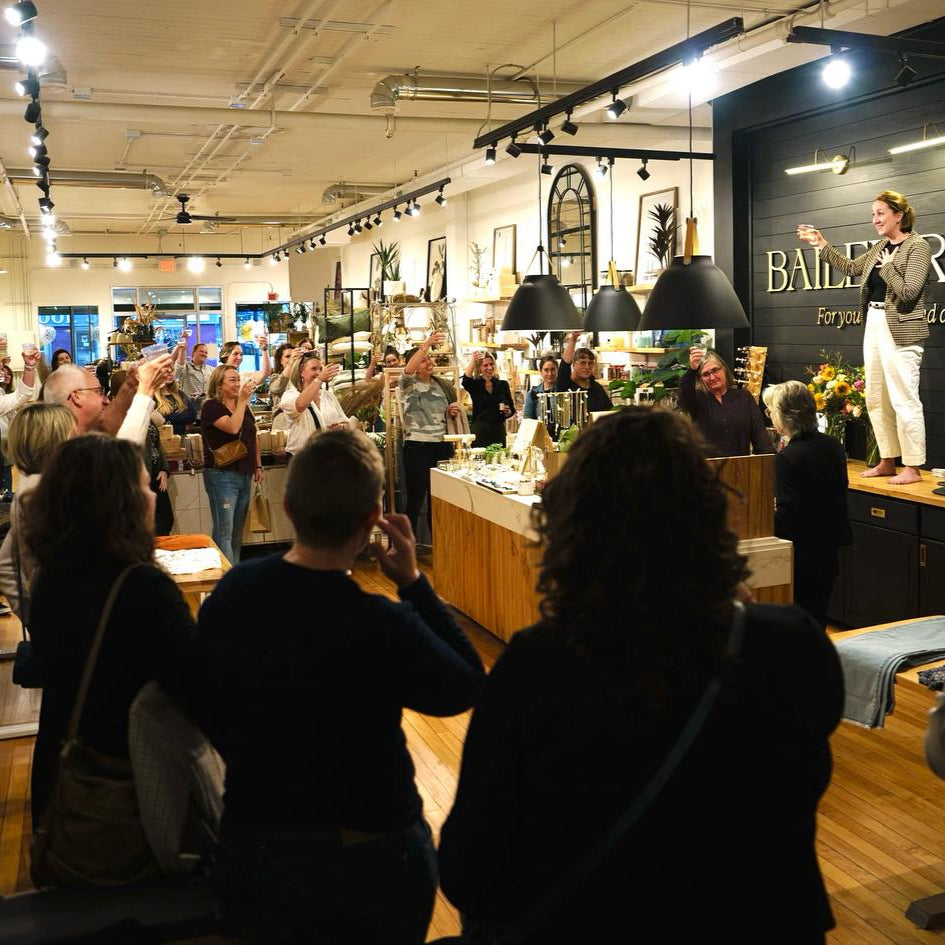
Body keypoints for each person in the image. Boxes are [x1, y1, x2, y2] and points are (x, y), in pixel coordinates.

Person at [438, 407, 843, 945]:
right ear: (708, 511)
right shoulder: (788, 644)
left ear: (571, 525)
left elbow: (468, 868)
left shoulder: (539, 663)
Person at [193, 430, 484, 945]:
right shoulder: (377, 620)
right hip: (371, 850)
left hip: (258, 840)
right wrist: (415, 584)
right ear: (373, 519)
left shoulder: (233, 595)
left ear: (287, 505)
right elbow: (464, 685)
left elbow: (204, 701)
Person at [24, 435, 196, 827]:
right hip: (125, 782)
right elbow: (196, 685)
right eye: (142, 485)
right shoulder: (142, 588)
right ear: (119, 503)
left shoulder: (52, 577)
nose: (152, 494)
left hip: (65, 771)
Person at [798, 191, 932, 484]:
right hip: (874, 320)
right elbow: (850, 268)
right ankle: (887, 460)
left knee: (903, 397)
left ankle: (912, 466)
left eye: (881, 213)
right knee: (875, 397)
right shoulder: (882, 246)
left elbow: (909, 292)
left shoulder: (918, 247)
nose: (875, 220)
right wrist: (821, 244)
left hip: (901, 328)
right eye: (873, 214)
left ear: (899, 215)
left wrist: (888, 269)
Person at [763, 381, 851, 630]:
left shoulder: (787, 458)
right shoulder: (833, 445)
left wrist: (763, 517)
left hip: (802, 553)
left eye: (771, 411)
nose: (770, 416)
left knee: (798, 624)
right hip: (829, 546)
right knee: (818, 617)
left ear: (784, 416)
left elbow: (788, 516)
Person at [0, 403, 76, 618]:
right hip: (65, 620)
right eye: (72, 434)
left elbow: (5, 563)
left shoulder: (34, 486)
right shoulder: (40, 492)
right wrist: (35, 618)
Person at [399, 331, 461, 540]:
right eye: (423, 360)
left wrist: (450, 411)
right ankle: (407, 546)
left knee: (439, 498)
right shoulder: (407, 384)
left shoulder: (440, 384)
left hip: (441, 445)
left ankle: (438, 545)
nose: (428, 362)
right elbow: (407, 369)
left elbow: (444, 414)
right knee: (416, 499)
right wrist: (426, 344)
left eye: (429, 358)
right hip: (417, 446)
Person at [200, 364, 263, 565]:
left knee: (236, 532)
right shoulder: (211, 407)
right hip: (222, 474)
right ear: (219, 384)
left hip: (244, 473)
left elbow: (253, 436)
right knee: (224, 532)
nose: (238, 383)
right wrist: (243, 400)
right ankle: (224, 581)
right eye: (232, 380)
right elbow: (233, 428)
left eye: (238, 379)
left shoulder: (243, 406)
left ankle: (233, 576)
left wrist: (258, 466)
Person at [43, 355, 172, 443]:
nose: (105, 400)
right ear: (77, 397)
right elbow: (125, 451)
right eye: (98, 392)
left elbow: (106, 427)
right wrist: (146, 389)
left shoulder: (79, 432)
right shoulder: (62, 448)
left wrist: (130, 386)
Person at [678, 348, 773, 457]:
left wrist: (769, 462)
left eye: (715, 370)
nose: (712, 377)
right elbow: (684, 397)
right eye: (706, 374)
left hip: (740, 468)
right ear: (701, 379)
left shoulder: (744, 397)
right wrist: (693, 369)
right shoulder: (698, 400)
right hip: (708, 469)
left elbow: (760, 437)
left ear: (724, 369)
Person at [279, 351, 353, 457]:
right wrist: (319, 379)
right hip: (302, 459)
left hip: (330, 456)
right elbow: (299, 405)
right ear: (301, 372)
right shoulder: (290, 395)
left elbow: (346, 423)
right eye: (314, 369)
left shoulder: (328, 396)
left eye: (321, 369)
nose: (318, 372)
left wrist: (340, 427)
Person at [462, 351, 514, 448]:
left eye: (491, 364)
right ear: (479, 368)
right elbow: (465, 381)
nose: (489, 368)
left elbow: (511, 409)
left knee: (500, 460)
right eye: (485, 365)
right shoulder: (475, 385)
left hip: (498, 431)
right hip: (480, 431)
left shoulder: (502, 384)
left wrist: (508, 412)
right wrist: (473, 361)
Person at [556, 332, 612, 412]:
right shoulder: (565, 384)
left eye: (590, 363)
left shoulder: (596, 388)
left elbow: (608, 412)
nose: (587, 367)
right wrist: (573, 339)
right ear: (574, 364)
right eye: (583, 363)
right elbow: (565, 363)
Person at [154, 370, 197, 436]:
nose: (170, 373)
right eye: (166, 371)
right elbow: (157, 421)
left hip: (180, 437)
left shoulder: (179, 393)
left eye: (172, 370)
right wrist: (180, 417)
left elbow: (192, 415)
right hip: (162, 439)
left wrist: (170, 418)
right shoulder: (152, 396)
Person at [174, 338, 213, 404]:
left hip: (206, 408)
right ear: (193, 353)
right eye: (201, 351)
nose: (204, 354)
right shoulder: (185, 367)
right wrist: (182, 349)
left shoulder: (211, 370)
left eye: (206, 352)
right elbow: (179, 366)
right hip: (189, 407)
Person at [523, 355, 558, 422]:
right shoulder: (533, 394)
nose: (550, 373)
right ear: (541, 371)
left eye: (553, 369)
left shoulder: (562, 390)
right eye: (546, 370)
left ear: (557, 370)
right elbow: (528, 420)